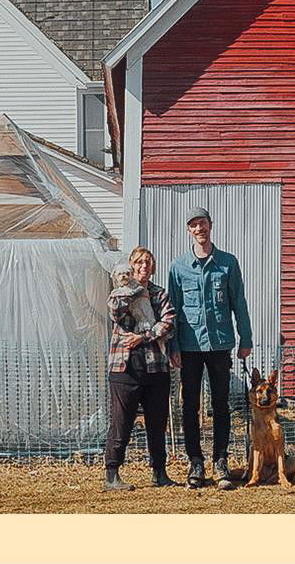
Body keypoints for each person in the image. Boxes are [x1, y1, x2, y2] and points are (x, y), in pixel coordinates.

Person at [166, 206, 252, 490]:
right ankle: (196, 463)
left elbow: (238, 303)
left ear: (210, 226)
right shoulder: (178, 267)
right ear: (188, 230)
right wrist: (173, 346)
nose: (198, 229)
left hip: (220, 345)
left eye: (202, 223)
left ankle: (221, 461)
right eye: (193, 225)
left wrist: (246, 340)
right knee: (189, 406)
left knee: (221, 405)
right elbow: (173, 311)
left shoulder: (227, 263)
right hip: (189, 348)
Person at [103, 246, 176, 491]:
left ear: (153, 266)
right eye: (138, 262)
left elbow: (168, 323)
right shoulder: (119, 293)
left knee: (157, 422)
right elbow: (116, 313)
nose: (144, 266)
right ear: (130, 267)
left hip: (156, 367)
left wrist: (143, 337)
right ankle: (112, 473)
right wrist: (132, 290)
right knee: (121, 422)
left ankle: (159, 472)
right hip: (124, 367)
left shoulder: (159, 294)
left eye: (148, 262)